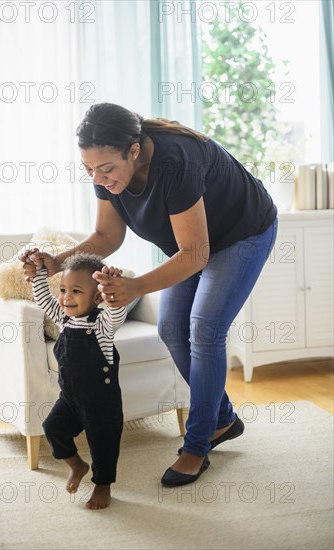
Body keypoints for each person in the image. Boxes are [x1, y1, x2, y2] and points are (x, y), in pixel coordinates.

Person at [22, 102, 278, 488]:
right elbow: (107, 236)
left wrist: (136, 286)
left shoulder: (176, 162)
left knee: (205, 329)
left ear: (135, 150)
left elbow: (196, 254)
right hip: (193, 247)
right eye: (89, 170)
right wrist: (55, 262)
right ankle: (222, 419)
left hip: (243, 233)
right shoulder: (104, 168)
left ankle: (197, 445)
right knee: (171, 329)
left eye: (106, 169)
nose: (99, 177)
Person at [26, 250, 127, 509]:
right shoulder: (64, 320)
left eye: (76, 291)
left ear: (96, 296)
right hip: (69, 399)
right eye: (63, 290)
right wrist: (38, 271)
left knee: (102, 446)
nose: (66, 297)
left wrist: (112, 291)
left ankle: (103, 486)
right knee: (52, 428)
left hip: (101, 404)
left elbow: (116, 313)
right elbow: (44, 299)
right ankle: (77, 465)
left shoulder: (102, 325)